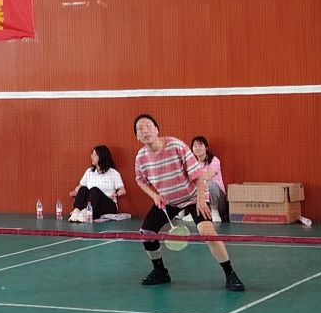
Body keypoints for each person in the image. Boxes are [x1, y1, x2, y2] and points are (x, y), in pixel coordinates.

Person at [132, 114, 243, 292]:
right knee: (146, 232)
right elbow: (140, 181)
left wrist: (200, 200)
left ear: (157, 129)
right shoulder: (141, 158)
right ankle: (160, 272)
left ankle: (230, 274)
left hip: (193, 196)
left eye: (149, 126)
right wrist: (154, 196)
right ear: (137, 136)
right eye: (140, 129)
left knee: (208, 232)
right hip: (169, 200)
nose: (145, 131)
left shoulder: (176, 146)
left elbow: (198, 176)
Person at [66, 145, 127, 222]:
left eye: (95, 155)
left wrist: (116, 194)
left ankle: (86, 214)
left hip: (107, 205)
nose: (91, 156)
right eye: (92, 154)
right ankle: (76, 212)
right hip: (92, 206)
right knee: (83, 188)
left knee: (94, 190)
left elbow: (123, 190)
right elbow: (80, 186)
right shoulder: (89, 171)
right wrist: (75, 192)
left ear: (102, 157)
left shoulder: (113, 173)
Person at [188, 135, 229, 225]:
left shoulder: (214, 160)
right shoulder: (192, 163)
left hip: (218, 198)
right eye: (195, 146)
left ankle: (214, 211)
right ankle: (195, 212)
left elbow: (208, 176)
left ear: (206, 148)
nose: (197, 148)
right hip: (201, 199)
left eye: (200, 145)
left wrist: (195, 176)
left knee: (208, 183)